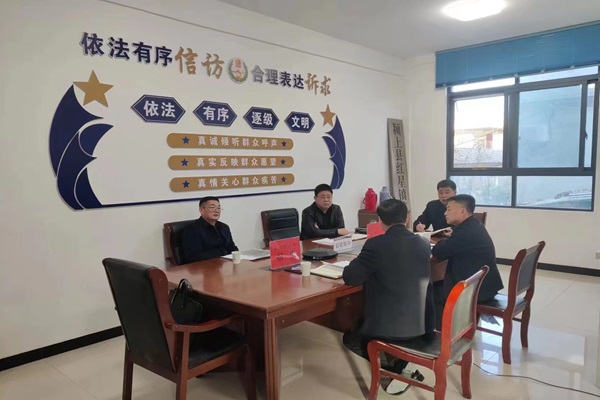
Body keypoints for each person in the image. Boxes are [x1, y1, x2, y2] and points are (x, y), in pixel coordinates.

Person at [342, 199, 433, 395]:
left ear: (380, 221)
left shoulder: (375, 245)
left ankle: (397, 367)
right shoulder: (423, 243)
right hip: (422, 319)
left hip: (394, 325)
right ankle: (400, 362)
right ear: (407, 218)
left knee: (351, 338)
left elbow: (351, 277)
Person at [431, 194, 503, 314]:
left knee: (431, 292)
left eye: (449, 209)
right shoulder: (473, 224)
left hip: (477, 290)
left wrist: (443, 241)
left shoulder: (465, 233)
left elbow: (438, 251)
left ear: (462, 211)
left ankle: (443, 325)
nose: (445, 213)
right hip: (484, 284)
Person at [181, 196, 238, 264]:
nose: (217, 210)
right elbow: (193, 256)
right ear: (202, 210)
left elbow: (232, 248)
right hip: (204, 267)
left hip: (225, 265)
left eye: (218, 208)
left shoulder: (224, 227)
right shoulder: (192, 230)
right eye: (212, 207)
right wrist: (222, 253)